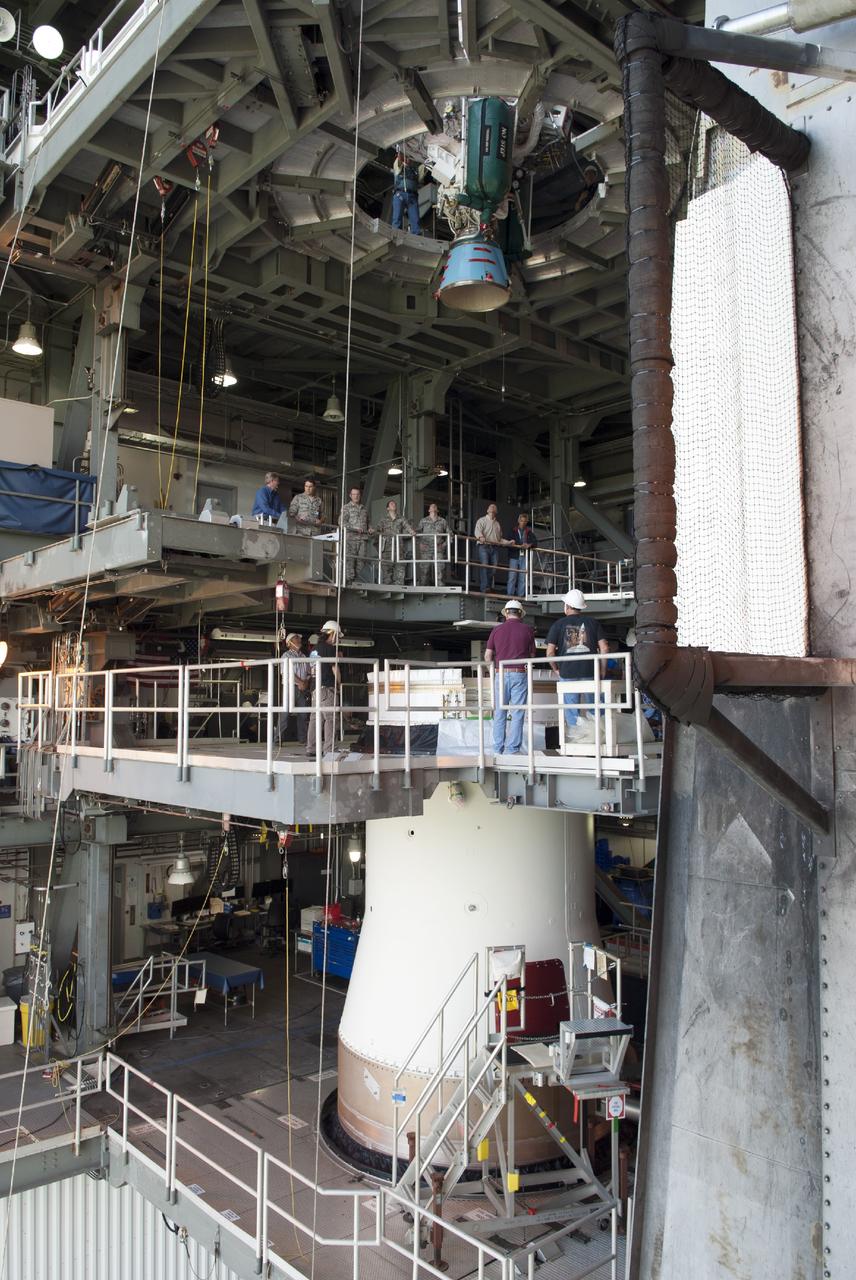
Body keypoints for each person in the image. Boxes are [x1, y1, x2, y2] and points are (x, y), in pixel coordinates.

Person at [545, 589, 609, 733]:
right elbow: (604, 648)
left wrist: (556, 669)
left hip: (567, 673)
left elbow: (549, 652)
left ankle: (576, 741)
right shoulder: (593, 623)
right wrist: (602, 670)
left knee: (571, 710)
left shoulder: (558, 624)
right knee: (595, 708)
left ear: (567, 606)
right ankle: (600, 738)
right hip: (590, 671)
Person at [485, 601, 536, 756]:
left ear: (505, 613)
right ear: (520, 614)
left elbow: (488, 655)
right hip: (519, 672)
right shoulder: (528, 630)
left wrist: (493, 671)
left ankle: (497, 749)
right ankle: (512, 750)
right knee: (517, 712)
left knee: (499, 712)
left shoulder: (496, 630)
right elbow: (532, 655)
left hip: (500, 672)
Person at [306, 620, 341, 757]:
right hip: (327, 687)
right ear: (332, 633)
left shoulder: (314, 650)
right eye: (337, 635)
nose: (337, 639)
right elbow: (334, 668)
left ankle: (312, 748)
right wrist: (338, 684)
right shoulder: (330, 648)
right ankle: (330, 749)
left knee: (315, 718)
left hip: (315, 688)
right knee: (331, 718)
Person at [280, 632, 311, 745]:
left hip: (301, 689)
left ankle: (302, 739)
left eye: (299, 638)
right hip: (290, 687)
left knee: (303, 714)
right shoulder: (286, 656)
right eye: (295, 639)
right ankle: (278, 739)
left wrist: (306, 682)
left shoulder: (303, 656)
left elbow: (309, 672)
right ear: (289, 643)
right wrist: (301, 682)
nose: (298, 640)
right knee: (285, 713)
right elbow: (286, 673)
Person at [376, 499, 415, 586]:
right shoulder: (383, 520)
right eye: (391, 504)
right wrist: (379, 549)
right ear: (387, 508)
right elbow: (377, 533)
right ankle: (387, 592)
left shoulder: (401, 518)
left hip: (399, 549)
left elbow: (407, 526)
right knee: (387, 574)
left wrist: (411, 531)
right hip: (386, 550)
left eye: (394, 503)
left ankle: (399, 590)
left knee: (400, 571)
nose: (394, 504)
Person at [340, 485, 369, 585]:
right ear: (350, 495)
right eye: (354, 494)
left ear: (360, 496)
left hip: (362, 539)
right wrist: (354, 528)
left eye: (358, 494)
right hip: (351, 539)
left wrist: (370, 528)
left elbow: (368, 522)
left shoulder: (364, 509)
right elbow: (341, 522)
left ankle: (359, 580)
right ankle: (349, 581)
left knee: (362, 560)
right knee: (350, 560)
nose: (356, 496)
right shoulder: (346, 508)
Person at [391, 151, 425, 235]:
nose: (407, 159)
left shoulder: (415, 171)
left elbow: (425, 166)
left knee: (415, 219)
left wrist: (427, 160)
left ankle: (416, 236)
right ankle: (395, 234)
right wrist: (400, 152)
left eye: (408, 158)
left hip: (412, 196)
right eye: (405, 157)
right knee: (397, 217)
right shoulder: (399, 168)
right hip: (400, 194)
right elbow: (398, 160)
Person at [416, 503, 449, 586]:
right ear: (429, 510)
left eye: (435, 506)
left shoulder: (443, 521)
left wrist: (443, 545)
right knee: (424, 570)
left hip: (438, 549)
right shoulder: (423, 521)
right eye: (431, 506)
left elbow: (450, 535)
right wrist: (419, 544)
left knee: (440, 569)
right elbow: (416, 533)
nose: (433, 507)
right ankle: (422, 590)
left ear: (437, 510)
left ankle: (441, 589)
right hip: (426, 549)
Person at [506, 512, 537, 597]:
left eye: (525, 521)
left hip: (524, 557)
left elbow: (535, 542)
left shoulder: (529, 532)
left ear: (527, 522)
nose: (523, 522)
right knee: (512, 576)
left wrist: (528, 545)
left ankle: (520, 595)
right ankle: (509, 595)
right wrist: (517, 544)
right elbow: (508, 540)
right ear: (518, 521)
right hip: (514, 556)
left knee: (522, 578)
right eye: (521, 520)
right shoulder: (513, 530)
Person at [474, 503, 503, 593]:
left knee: (493, 569)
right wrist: (480, 537)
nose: (492, 508)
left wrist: (508, 542)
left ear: (496, 512)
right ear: (487, 510)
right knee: (485, 566)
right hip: (484, 546)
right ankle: (485, 588)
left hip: (494, 547)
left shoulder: (497, 524)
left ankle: (488, 587)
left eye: (494, 507)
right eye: (491, 507)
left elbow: (499, 539)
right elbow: (477, 531)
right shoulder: (481, 520)